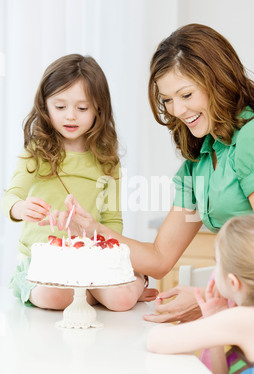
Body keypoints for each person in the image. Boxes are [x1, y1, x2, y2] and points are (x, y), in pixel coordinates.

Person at [41, 24, 254, 322]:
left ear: (219, 82)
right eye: (167, 99)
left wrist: (212, 300)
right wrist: (92, 230)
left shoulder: (253, 136)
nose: (177, 109)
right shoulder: (200, 161)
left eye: (186, 94)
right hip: (245, 303)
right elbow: (160, 258)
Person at [1, 54, 157, 310]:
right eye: (60, 107)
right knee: (56, 297)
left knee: (122, 302)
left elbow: (112, 221)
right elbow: (10, 196)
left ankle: (131, 284)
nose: (70, 116)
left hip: (89, 258)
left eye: (82, 108)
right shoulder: (37, 151)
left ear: (99, 108)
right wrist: (20, 208)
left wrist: (101, 242)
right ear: (45, 106)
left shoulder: (107, 160)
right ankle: (97, 293)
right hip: (42, 263)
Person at [147, 215, 254, 374]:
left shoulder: (246, 319)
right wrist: (215, 330)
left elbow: (156, 341)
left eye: (217, 263)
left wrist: (212, 324)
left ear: (233, 283)